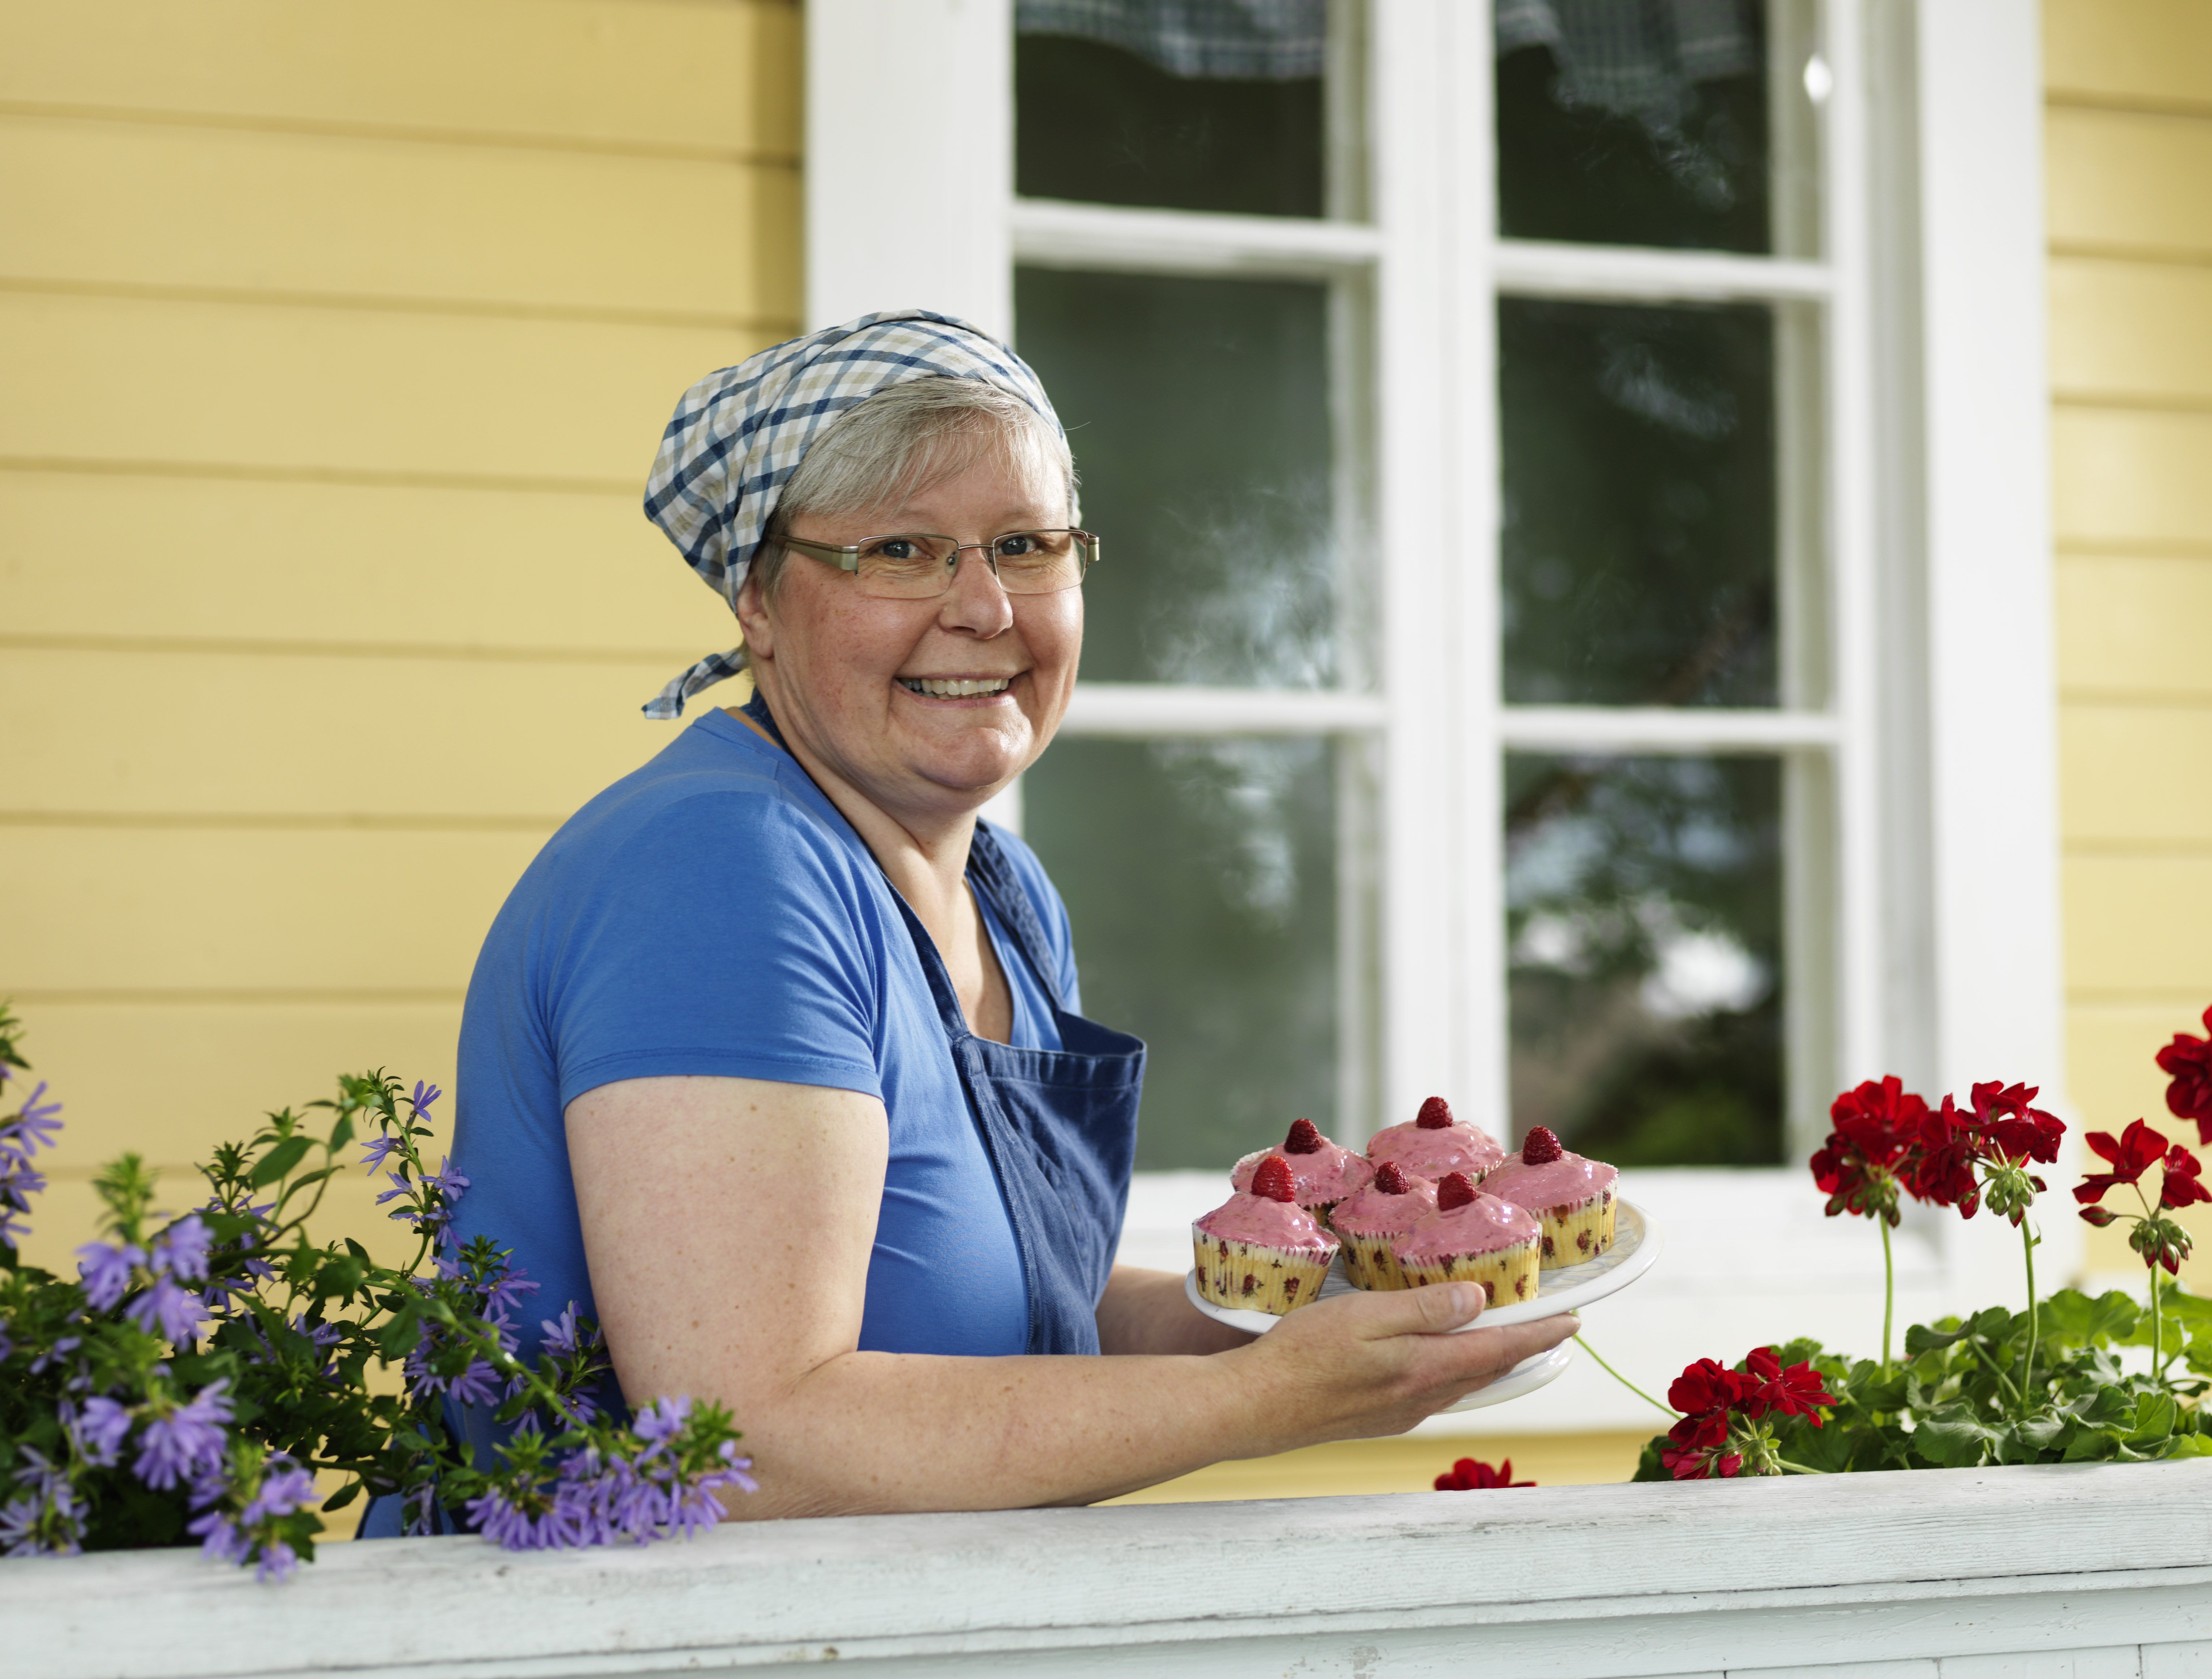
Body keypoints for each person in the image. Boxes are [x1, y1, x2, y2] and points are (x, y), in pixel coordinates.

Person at [418, 310, 1576, 1522]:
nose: (985, 609)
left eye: (1025, 545)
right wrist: (1269, 1401)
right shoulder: (721, 865)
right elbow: (747, 1439)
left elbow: (1027, 1323)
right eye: (903, 552)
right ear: (757, 601)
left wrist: (1331, 1307)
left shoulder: (999, 895)